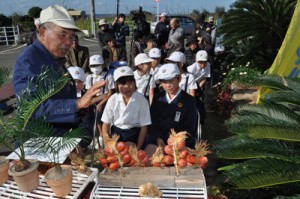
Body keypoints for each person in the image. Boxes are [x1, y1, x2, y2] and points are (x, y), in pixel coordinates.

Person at [13, 5, 106, 136]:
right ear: (42, 33)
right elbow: (30, 109)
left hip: (58, 141)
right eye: (63, 34)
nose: (69, 42)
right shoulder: (29, 61)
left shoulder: (52, 57)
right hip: (38, 145)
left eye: (71, 36)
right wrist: (76, 104)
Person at [148, 63, 198, 149]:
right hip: (159, 141)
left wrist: (177, 140)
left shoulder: (189, 100)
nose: (168, 85)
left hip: (181, 142)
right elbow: (153, 120)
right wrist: (157, 138)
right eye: (164, 82)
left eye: (171, 81)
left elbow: (190, 125)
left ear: (179, 79)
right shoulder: (157, 98)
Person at [101, 66, 151, 150]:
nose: (127, 86)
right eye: (122, 83)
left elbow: (144, 127)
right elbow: (106, 124)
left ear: (135, 83)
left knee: (127, 149)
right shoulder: (113, 99)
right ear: (116, 85)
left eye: (130, 82)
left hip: (134, 132)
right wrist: (107, 140)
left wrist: (138, 148)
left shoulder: (142, 100)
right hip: (116, 132)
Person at [67, 66, 94, 148]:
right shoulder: (62, 96)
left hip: (82, 133)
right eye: (74, 81)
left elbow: (87, 123)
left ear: (83, 83)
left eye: (80, 82)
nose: (76, 85)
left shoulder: (88, 97)